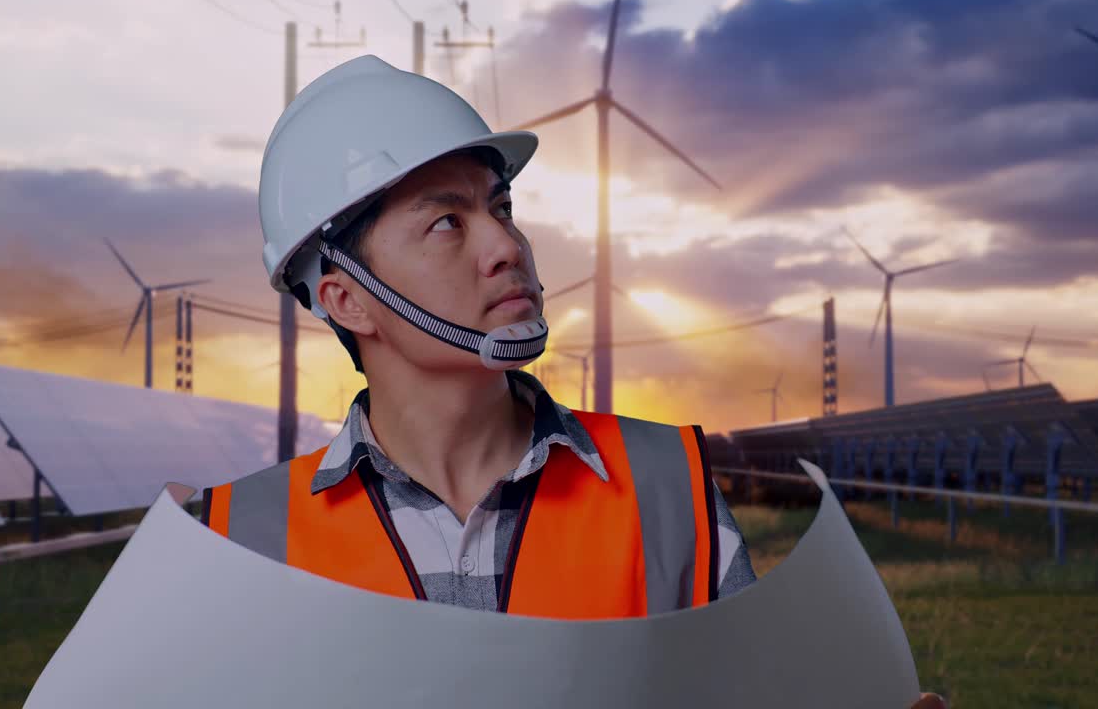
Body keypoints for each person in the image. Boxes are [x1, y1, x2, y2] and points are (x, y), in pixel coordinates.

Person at [202, 54, 943, 707]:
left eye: (500, 208)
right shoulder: (237, 543)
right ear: (345, 298)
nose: (507, 246)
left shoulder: (666, 488)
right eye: (446, 223)